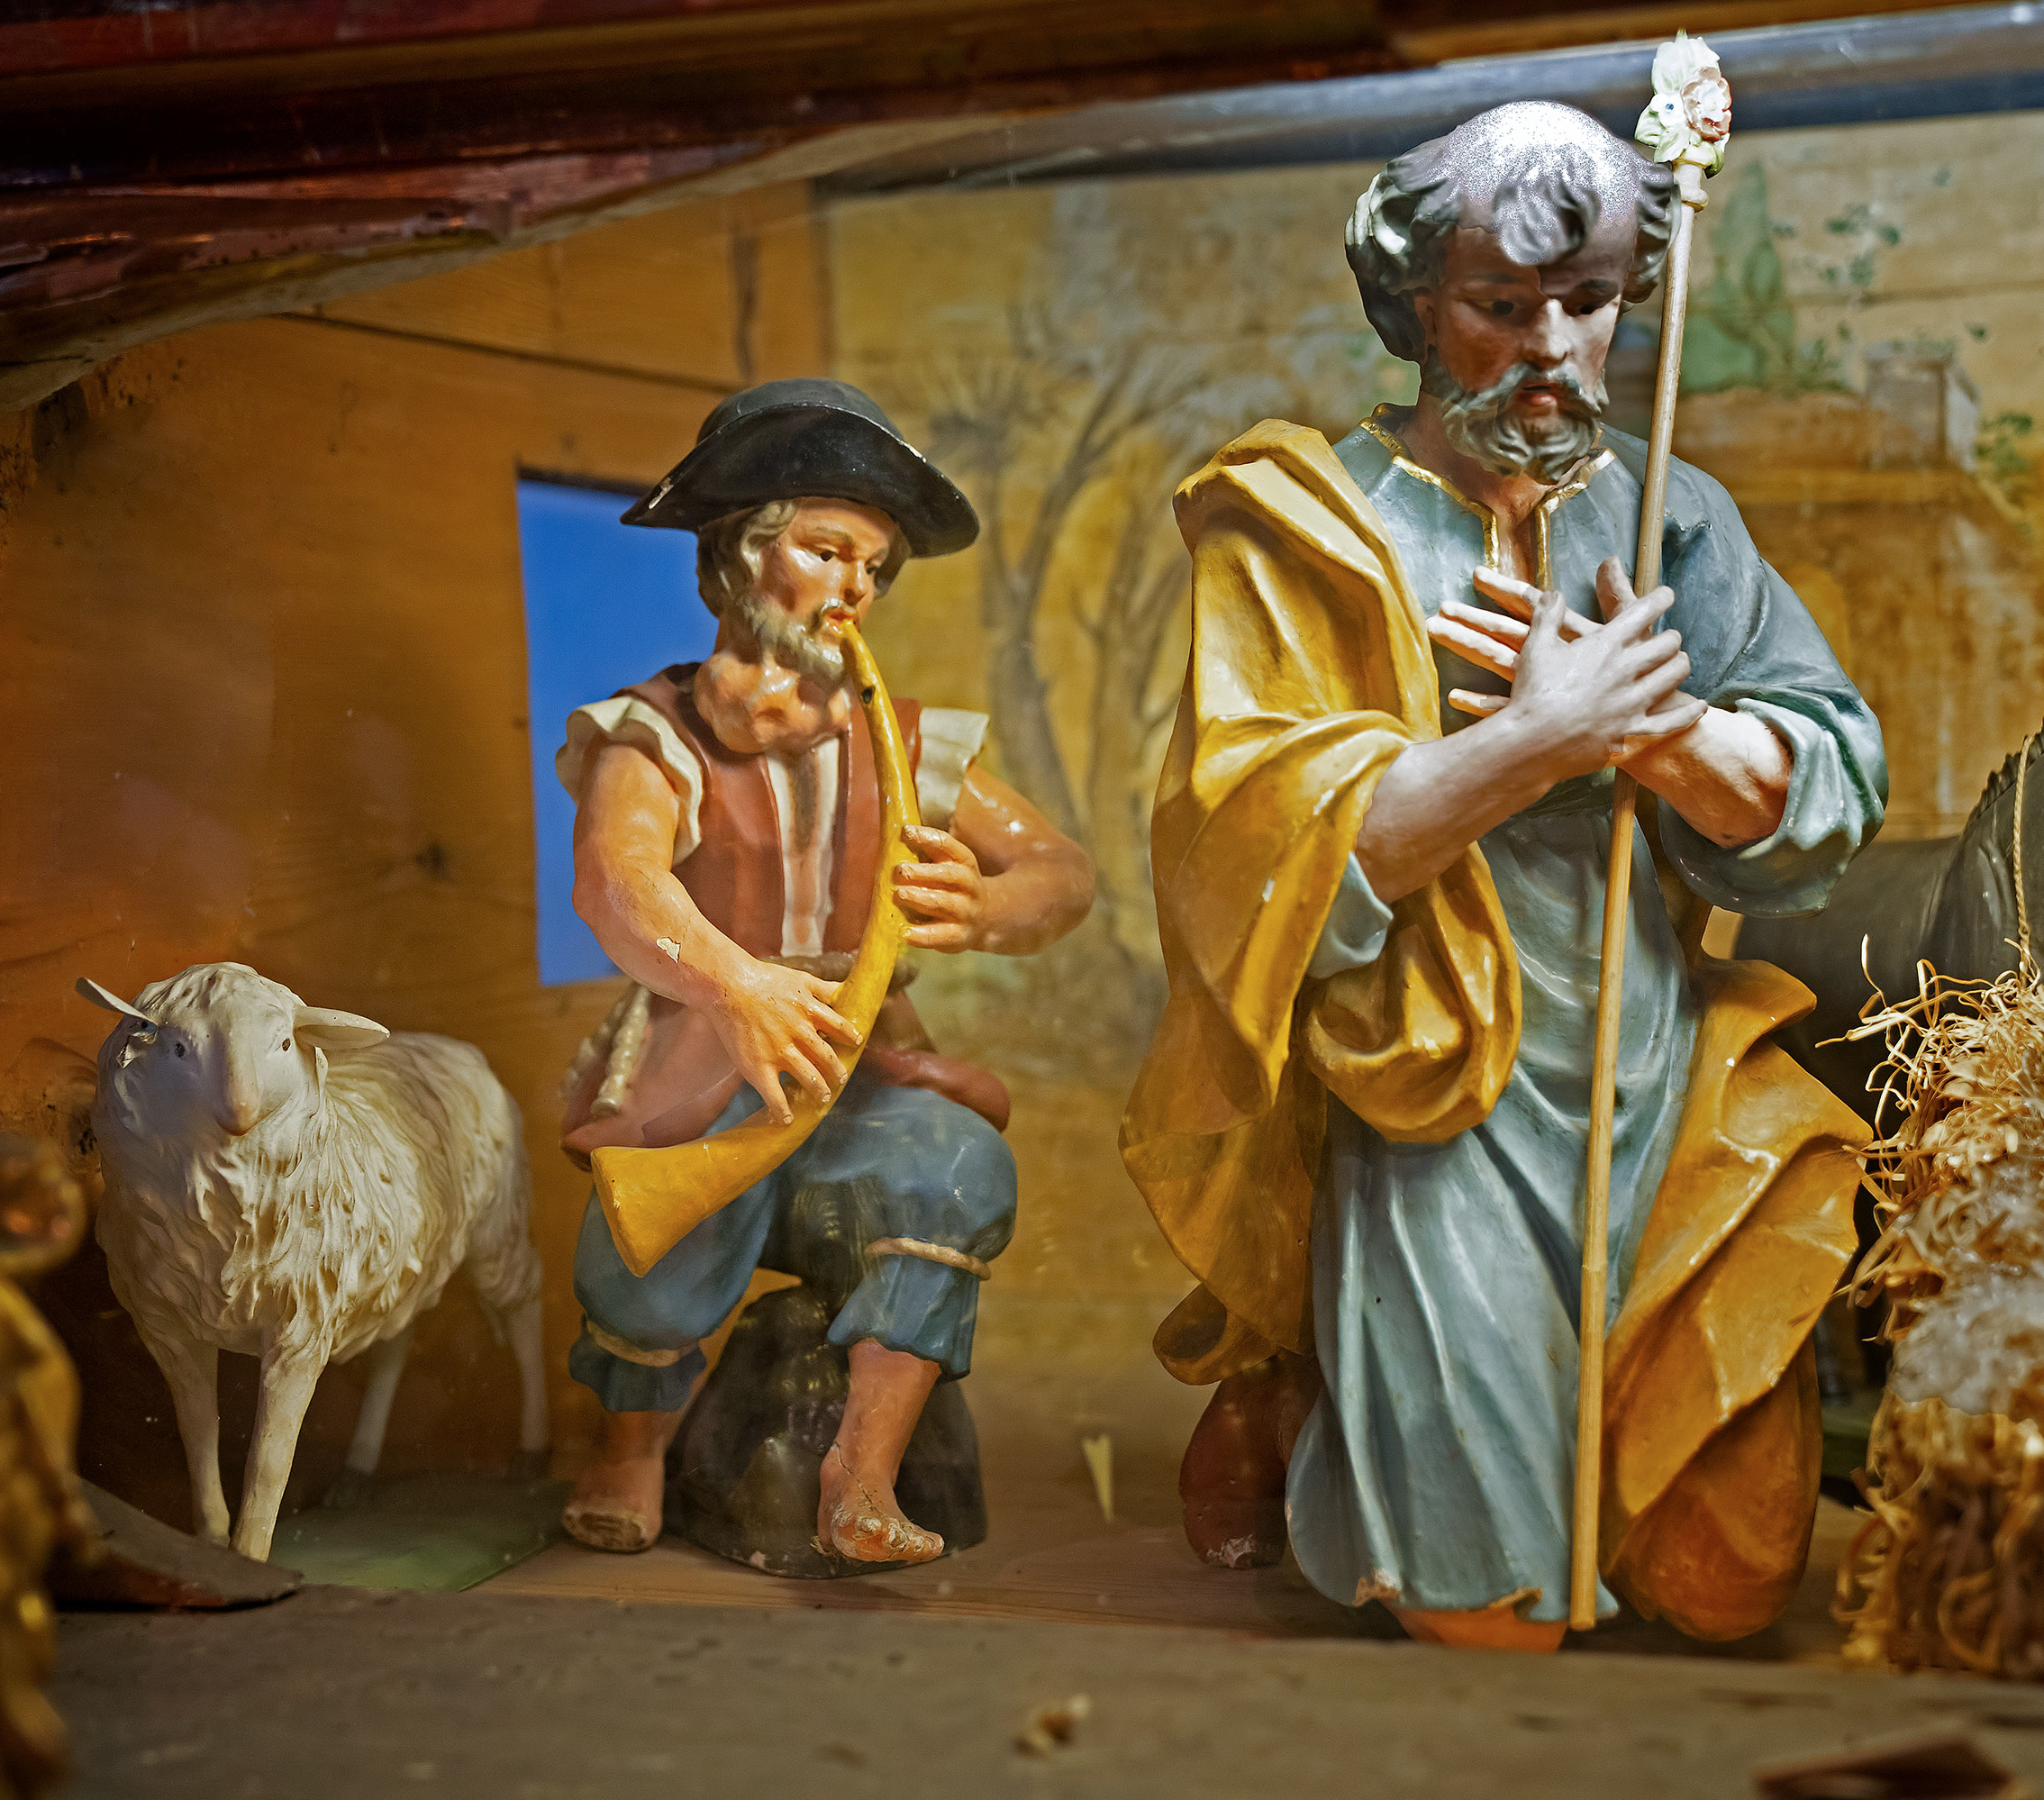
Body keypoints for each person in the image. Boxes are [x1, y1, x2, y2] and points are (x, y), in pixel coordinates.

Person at [1122, 103, 1887, 1652]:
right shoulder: (1301, 527)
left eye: (1588, 303)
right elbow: (1250, 850)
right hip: (1427, 1089)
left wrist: (1661, 735)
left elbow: (1830, 776)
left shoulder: (1669, 510)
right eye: (1499, 307)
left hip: (1659, 1069)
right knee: (1490, 1609)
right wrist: (1534, 740)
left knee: (1726, 1583)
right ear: (1415, 305)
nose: (1551, 348)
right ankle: (1292, 1399)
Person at [555, 379, 1093, 1560]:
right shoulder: (657, 736)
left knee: (955, 1170)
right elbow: (620, 882)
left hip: (862, 1068)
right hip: (707, 1057)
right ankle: (631, 1446)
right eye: (827, 547)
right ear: (744, 554)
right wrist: (736, 985)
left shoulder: (903, 744)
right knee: (649, 1243)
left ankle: (864, 1470)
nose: (853, 584)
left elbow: (1061, 869)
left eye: (873, 564)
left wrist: (995, 902)